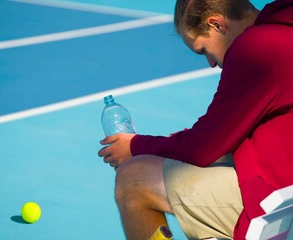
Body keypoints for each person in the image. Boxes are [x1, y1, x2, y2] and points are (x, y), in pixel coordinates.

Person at [98, 0, 293, 239]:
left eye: (203, 50)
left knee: (133, 178)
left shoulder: (256, 48)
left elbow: (203, 146)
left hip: (270, 201)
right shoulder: (284, 27)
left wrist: (136, 146)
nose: (211, 63)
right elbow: (221, 136)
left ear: (217, 25)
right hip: (284, 184)